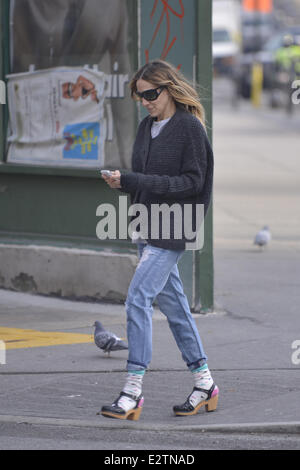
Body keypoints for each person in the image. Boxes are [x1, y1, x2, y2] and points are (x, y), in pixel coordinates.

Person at [100, 60, 217, 421]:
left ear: (169, 89)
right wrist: (125, 184)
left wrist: (136, 181)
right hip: (145, 226)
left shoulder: (189, 128)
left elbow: (192, 183)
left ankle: (132, 391)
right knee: (177, 308)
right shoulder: (146, 127)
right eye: (140, 96)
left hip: (173, 230)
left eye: (151, 94)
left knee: (137, 299)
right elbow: (147, 179)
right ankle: (205, 385)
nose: (146, 101)